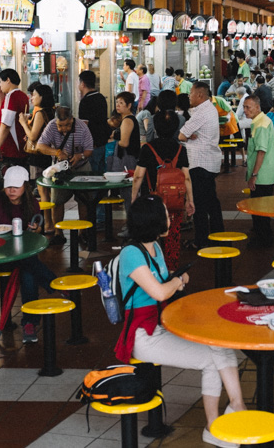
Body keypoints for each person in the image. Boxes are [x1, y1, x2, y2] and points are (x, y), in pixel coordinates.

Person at [114, 195, 247, 448]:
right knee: (212, 360)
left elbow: (165, 288)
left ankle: (237, 406)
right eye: (165, 213)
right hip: (144, 335)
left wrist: (176, 281)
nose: (170, 217)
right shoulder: (131, 253)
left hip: (162, 325)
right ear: (153, 220)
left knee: (221, 345)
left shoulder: (154, 246)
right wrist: (179, 281)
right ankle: (214, 425)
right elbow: (160, 292)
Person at [0, 165, 56, 344]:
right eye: (8, 186)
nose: (11, 191)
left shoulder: (32, 203)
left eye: (16, 187)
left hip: (22, 254)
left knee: (28, 272)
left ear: (25, 187)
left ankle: (29, 323)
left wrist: (36, 230)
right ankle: (52, 285)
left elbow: (36, 231)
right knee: (28, 264)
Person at [132, 110, 192, 270]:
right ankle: (170, 270)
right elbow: (186, 177)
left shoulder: (147, 148)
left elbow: (138, 176)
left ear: (156, 128)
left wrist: (133, 199)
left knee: (149, 235)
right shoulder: (181, 149)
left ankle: (152, 270)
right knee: (172, 237)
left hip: (151, 201)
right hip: (174, 201)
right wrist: (190, 200)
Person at [179, 81, 224, 250]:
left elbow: (182, 135)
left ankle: (201, 240)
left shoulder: (201, 112)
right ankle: (218, 235)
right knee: (212, 202)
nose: (189, 95)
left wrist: (189, 136)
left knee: (199, 203)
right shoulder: (210, 109)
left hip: (199, 163)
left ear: (199, 95)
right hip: (209, 162)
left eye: (191, 92)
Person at [36, 106, 95, 229]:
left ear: (72, 119)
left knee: (83, 200)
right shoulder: (51, 126)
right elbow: (40, 146)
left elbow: (89, 149)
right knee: (57, 201)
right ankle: (58, 232)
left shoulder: (82, 127)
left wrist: (80, 156)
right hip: (59, 168)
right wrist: (57, 152)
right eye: (60, 126)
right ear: (55, 121)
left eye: (67, 125)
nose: (64, 129)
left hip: (81, 167)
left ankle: (82, 232)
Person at [242, 95, 274, 249]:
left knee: (260, 209)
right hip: (264, 174)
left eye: (248, 107)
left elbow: (261, 152)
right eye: (244, 107)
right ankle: (262, 236)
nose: (245, 110)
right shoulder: (260, 121)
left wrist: (254, 175)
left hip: (262, 175)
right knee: (260, 208)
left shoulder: (261, 125)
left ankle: (264, 240)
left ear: (257, 107)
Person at [78, 70, 110, 176]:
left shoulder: (85, 101)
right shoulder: (101, 97)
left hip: (91, 146)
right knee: (102, 174)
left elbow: (84, 126)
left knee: (92, 175)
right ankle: (103, 193)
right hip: (102, 143)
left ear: (82, 84)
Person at [0, 69, 29, 167]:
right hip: (21, 146)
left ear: (8, 80)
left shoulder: (11, 96)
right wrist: (0, 93)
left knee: (12, 179)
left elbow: (6, 124)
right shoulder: (23, 96)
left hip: (11, 148)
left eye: (1, 82)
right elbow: (3, 112)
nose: (0, 85)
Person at [21, 83, 55, 180]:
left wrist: (23, 123)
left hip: (38, 156)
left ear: (42, 97)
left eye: (34, 95)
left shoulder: (40, 113)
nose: (32, 98)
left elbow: (33, 137)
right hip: (47, 153)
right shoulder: (51, 111)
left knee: (38, 183)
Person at [111, 91, 141, 173]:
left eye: (121, 103)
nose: (117, 105)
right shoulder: (127, 119)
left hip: (126, 158)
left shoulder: (127, 120)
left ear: (129, 105)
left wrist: (113, 141)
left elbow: (124, 143)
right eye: (117, 102)